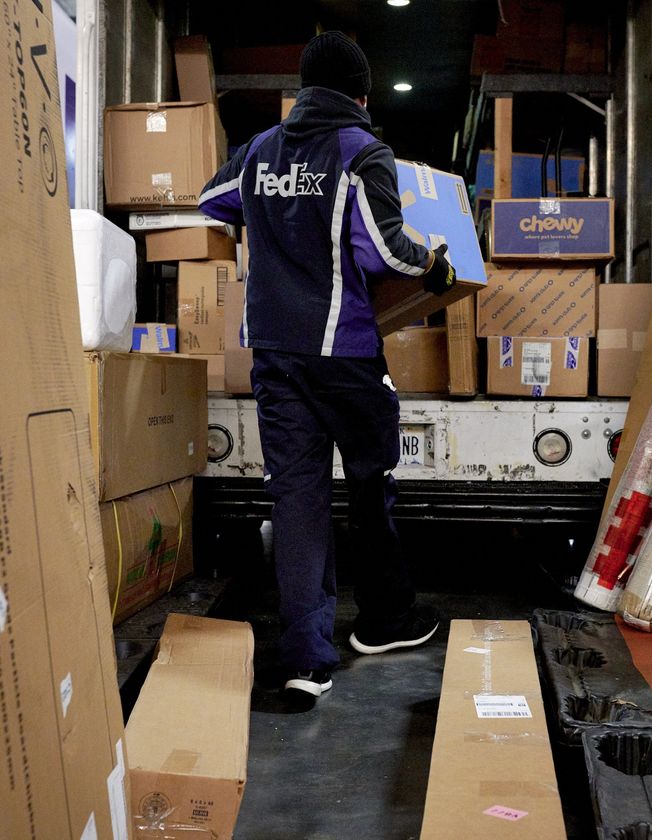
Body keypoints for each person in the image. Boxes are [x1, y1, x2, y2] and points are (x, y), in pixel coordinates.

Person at [199, 31, 455, 701]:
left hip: (276, 355)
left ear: (305, 90)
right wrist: (435, 264)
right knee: (372, 480)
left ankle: (304, 659)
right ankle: (385, 619)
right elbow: (386, 251)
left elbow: (208, 201)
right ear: (362, 94)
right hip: (342, 353)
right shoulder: (361, 151)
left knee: (298, 498)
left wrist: (271, 215)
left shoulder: (258, 150)